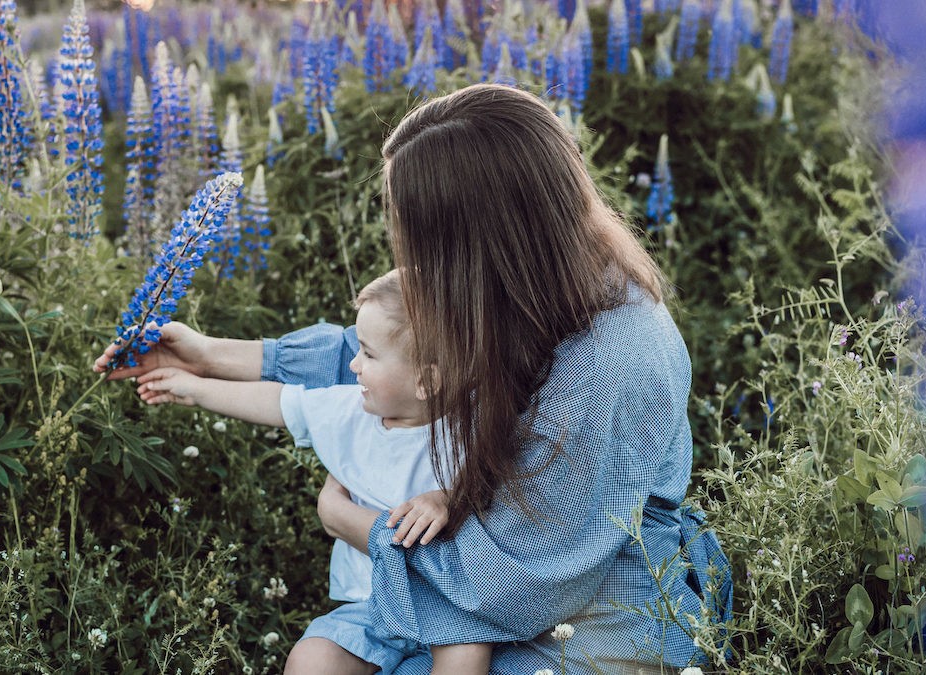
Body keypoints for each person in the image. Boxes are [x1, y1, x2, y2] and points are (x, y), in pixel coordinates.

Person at [95, 83, 732, 674]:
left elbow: (516, 582)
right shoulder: (542, 284)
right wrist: (206, 355)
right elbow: (396, 354)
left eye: (419, 236)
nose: (408, 253)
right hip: (494, 569)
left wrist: (355, 524)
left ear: (481, 241)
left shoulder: (612, 363)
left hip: (593, 608)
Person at [123, 270, 492, 675]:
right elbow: (278, 402)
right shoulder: (351, 411)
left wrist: (446, 498)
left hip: (449, 605)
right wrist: (193, 388)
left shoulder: (470, 426)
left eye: (368, 354)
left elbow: (498, 483)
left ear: (426, 381)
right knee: (311, 659)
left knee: (467, 655)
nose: (353, 363)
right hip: (371, 605)